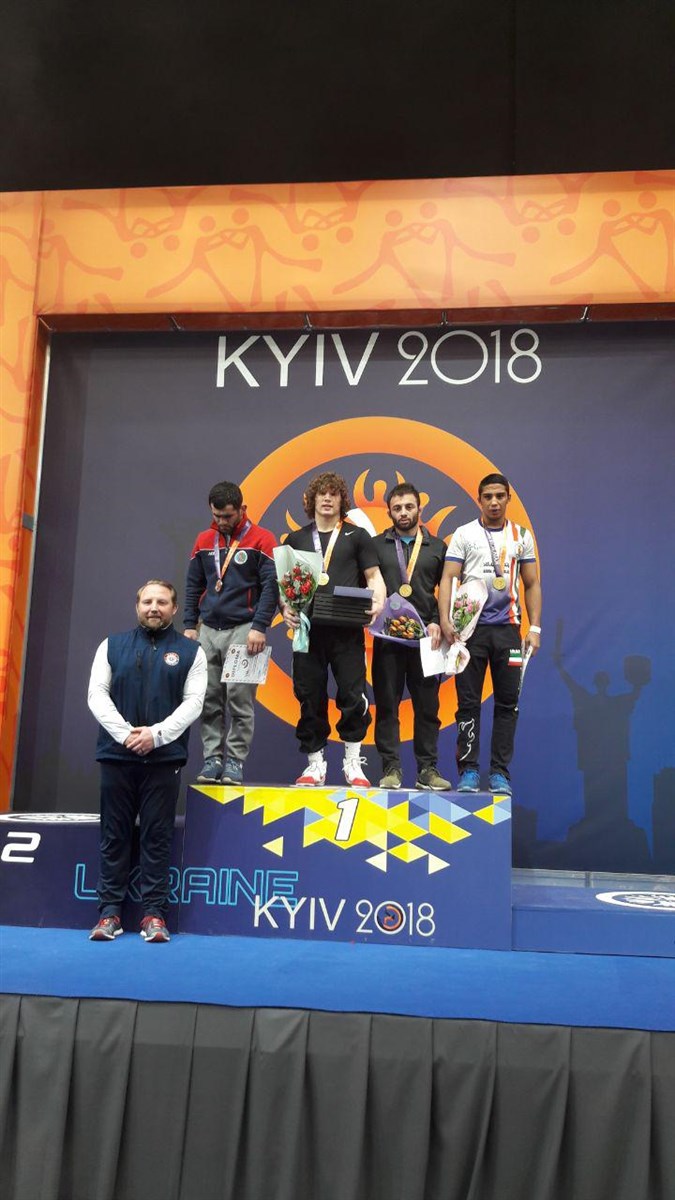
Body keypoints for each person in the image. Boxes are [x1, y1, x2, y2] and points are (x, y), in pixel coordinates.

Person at [87, 580, 207, 942]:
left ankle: (154, 915)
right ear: (137, 606)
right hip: (117, 756)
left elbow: (193, 703)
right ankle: (109, 914)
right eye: (148, 601)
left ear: (174, 609)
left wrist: (156, 735)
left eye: (162, 602)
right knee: (114, 836)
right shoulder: (111, 646)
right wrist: (126, 734)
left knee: (157, 838)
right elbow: (96, 695)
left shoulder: (191, 651)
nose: (154, 607)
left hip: (164, 758)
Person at [438, 474, 541, 795]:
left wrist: (534, 627)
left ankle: (499, 773)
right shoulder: (464, 534)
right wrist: (445, 620)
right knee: (467, 703)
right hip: (470, 632)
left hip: (509, 632)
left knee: (508, 703)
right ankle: (469, 771)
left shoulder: (521, 536)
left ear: (508, 498)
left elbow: (532, 584)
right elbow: (448, 578)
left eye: (499, 496)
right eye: (488, 497)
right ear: (479, 499)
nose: (494, 502)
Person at [283, 471, 386, 787]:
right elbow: (285, 585)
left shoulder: (357, 536)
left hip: (347, 632)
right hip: (308, 632)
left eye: (334, 494)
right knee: (309, 696)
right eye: (322, 494)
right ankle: (315, 765)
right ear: (312, 500)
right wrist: (286, 609)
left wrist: (378, 602)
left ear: (342, 500)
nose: (327, 499)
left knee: (353, 696)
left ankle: (353, 763)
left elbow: (374, 577)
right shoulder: (296, 540)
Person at [183, 481, 278, 784]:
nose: (222, 522)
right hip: (208, 629)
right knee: (208, 697)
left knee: (239, 698)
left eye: (227, 516)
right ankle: (212, 759)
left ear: (241, 509)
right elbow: (193, 585)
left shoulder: (262, 538)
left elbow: (271, 587)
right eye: (216, 516)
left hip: (245, 628)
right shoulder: (203, 540)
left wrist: (260, 626)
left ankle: (234, 761)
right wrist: (189, 625)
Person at [371, 483, 451, 791]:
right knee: (387, 706)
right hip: (387, 640)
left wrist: (437, 622)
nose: (403, 513)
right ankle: (391, 768)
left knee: (428, 708)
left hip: (427, 640)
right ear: (389, 512)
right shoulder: (376, 546)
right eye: (397, 508)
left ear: (420, 508)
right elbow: (367, 586)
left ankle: (427, 770)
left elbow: (449, 592)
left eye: (408, 507)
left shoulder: (437, 547)